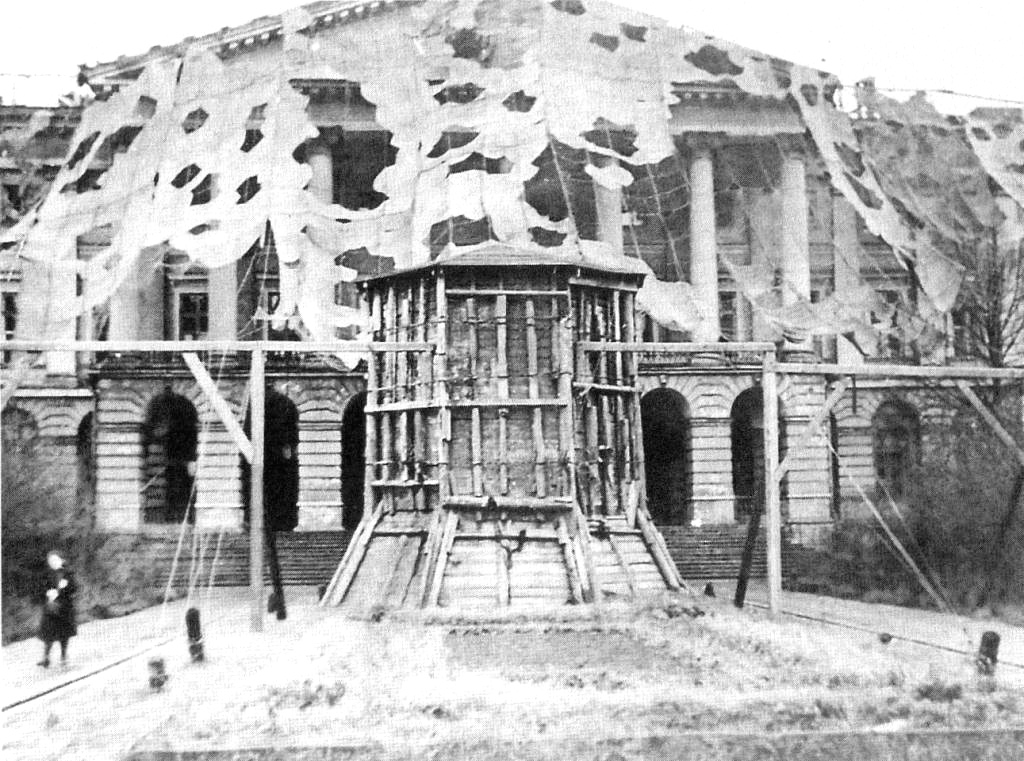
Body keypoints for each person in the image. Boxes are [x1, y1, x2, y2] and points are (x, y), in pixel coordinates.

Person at [38, 550, 77, 668]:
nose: (52, 562)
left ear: (61, 559)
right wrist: (48, 592)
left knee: (64, 634)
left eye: (55, 560)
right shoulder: (47, 574)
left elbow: (74, 589)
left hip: (64, 608)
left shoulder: (68, 573)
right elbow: (41, 588)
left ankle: (63, 657)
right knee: (48, 634)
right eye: (50, 561)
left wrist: (66, 587)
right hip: (50, 608)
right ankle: (46, 658)